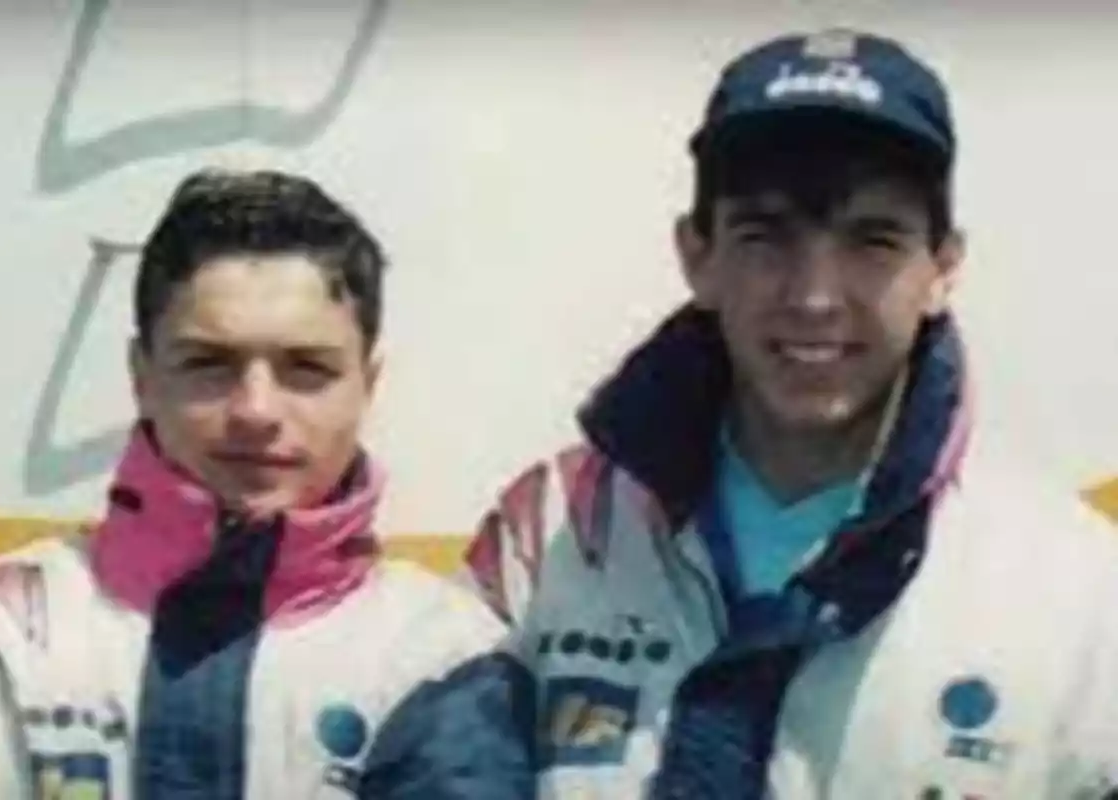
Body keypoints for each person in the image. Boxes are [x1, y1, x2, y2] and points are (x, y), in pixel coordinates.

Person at [461, 29, 1118, 798]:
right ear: (696, 255)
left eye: (872, 241)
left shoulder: (1079, 589)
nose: (813, 297)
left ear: (943, 267)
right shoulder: (546, 536)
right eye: (765, 235)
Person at [0, 168, 512, 798]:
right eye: (208, 364)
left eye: (306, 368)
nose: (255, 410)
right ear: (141, 376)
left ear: (368, 383)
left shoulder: (444, 654)